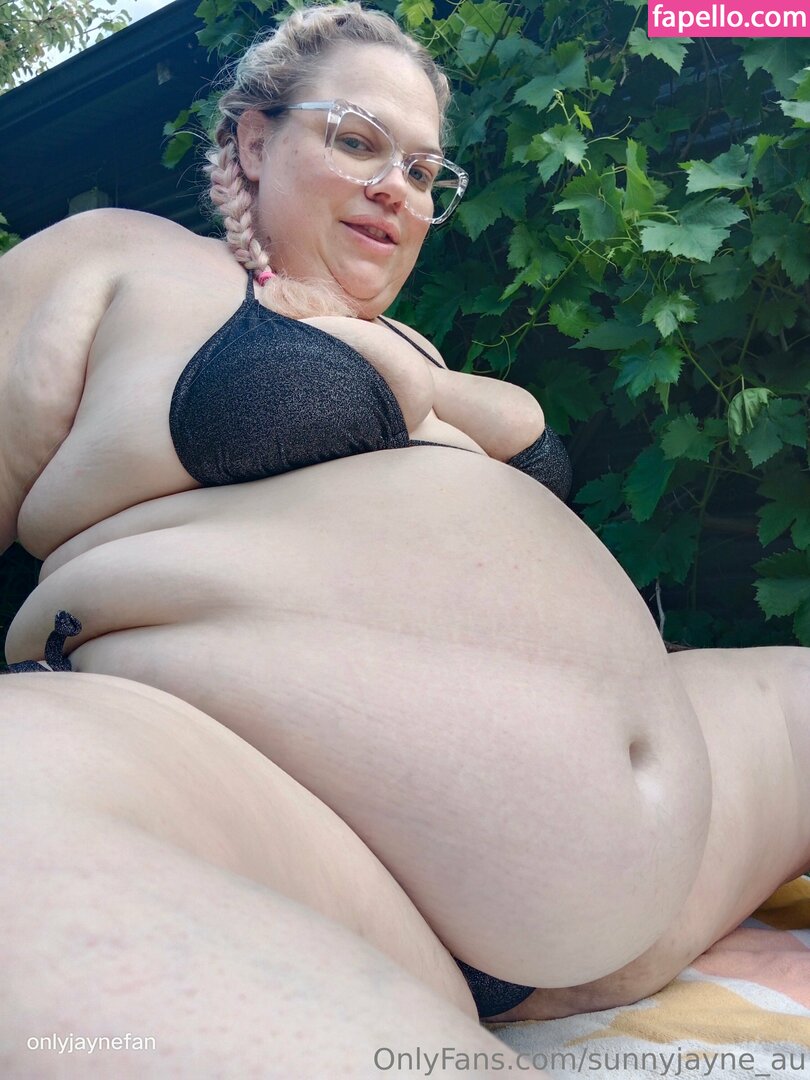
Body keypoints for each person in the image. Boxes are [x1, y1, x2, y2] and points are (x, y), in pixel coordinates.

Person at [1, 0, 809, 1063]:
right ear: (254, 140)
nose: (398, 187)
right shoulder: (119, 258)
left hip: (637, 882)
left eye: (425, 171)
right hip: (262, 818)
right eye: (357, 141)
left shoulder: (419, 345)